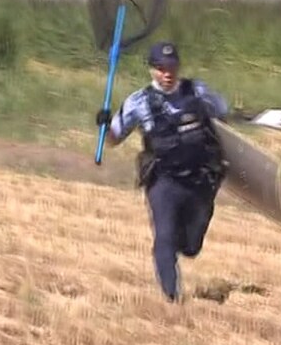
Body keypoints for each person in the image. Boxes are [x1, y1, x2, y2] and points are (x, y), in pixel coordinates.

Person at [96, 40, 230, 303]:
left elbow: (223, 114)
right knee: (165, 237)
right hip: (163, 181)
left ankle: (178, 245)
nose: (167, 73)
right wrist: (104, 125)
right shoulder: (139, 102)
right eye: (160, 68)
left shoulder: (198, 91)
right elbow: (114, 138)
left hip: (200, 180)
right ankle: (172, 297)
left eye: (171, 67)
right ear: (152, 70)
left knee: (191, 247)